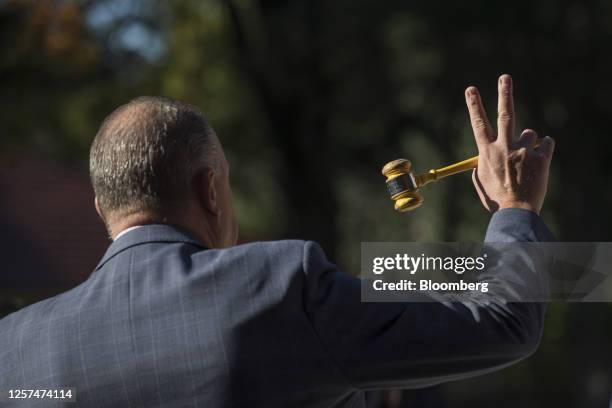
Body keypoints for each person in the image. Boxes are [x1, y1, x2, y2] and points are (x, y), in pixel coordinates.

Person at [0, 74, 555, 407]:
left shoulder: (13, 353)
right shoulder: (277, 287)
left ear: (102, 208)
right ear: (211, 189)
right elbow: (505, 318)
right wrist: (514, 208)